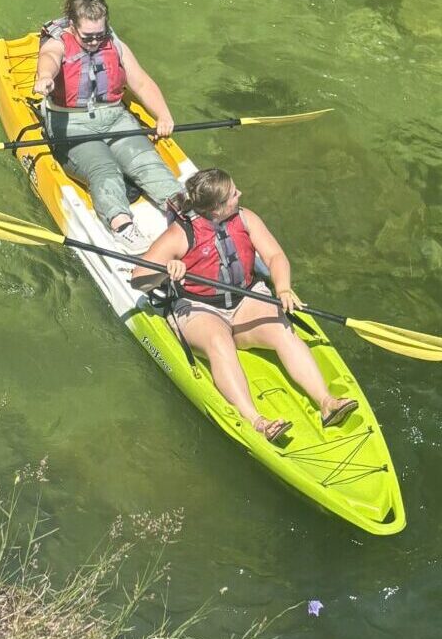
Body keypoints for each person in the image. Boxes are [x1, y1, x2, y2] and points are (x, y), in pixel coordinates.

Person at [130, 167, 356, 443]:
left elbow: (275, 256)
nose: (240, 194)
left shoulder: (246, 218)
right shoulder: (180, 234)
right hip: (201, 309)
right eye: (233, 194)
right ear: (216, 209)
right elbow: (139, 280)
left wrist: (283, 288)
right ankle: (257, 421)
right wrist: (166, 269)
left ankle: (326, 402)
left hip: (246, 299)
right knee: (219, 344)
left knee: (282, 328)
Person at [31, 0, 179, 247]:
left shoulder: (113, 42)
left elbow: (141, 83)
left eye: (99, 34)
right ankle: (121, 224)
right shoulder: (59, 43)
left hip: (115, 119)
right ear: (73, 27)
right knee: (104, 169)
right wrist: (44, 77)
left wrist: (163, 115)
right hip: (72, 126)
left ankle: (186, 209)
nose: (94, 41)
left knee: (147, 163)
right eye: (87, 36)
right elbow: (49, 58)